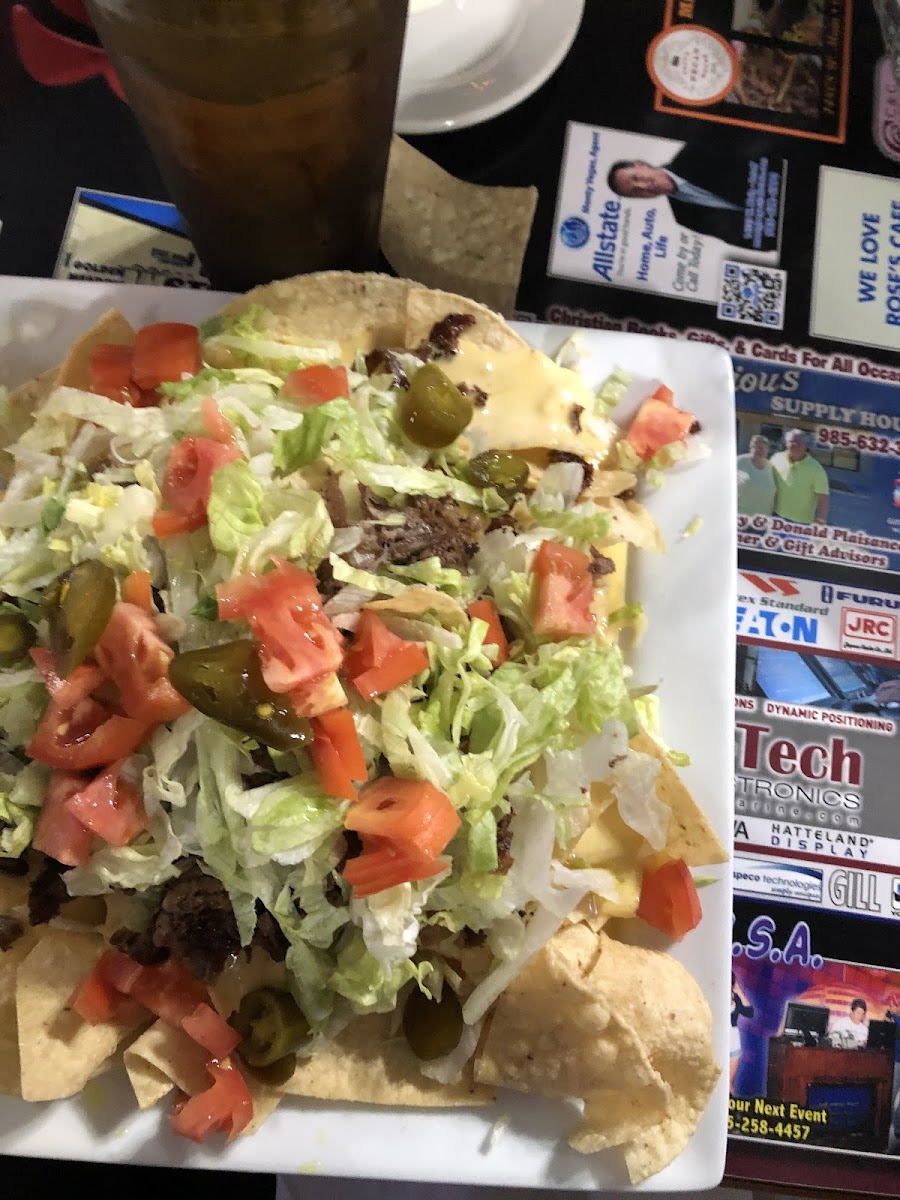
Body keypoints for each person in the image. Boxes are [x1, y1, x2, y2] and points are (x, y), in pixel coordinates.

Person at [606, 144, 751, 245]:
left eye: (636, 178)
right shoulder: (683, 217)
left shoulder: (696, 151)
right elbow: (739, 238)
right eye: (635, 191)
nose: (643, 186)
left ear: (640, 165)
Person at [770, 429, 830, 524]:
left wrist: (820, 522)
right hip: (776, 516)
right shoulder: (776, 458)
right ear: (786, 443)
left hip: (802, 524)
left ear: (805, 445)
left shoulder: (816, 469)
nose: (794, 444)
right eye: (791, 441)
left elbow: (823, 498)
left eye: (798, 442)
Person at [737, 434, 776, 515]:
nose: (760, 450)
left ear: (767, 450)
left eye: (763, 448)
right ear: (751, 448)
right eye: (757, 447)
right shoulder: (740, 461)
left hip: (763, 520)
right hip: (742, 518)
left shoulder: (771, 467)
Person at [731, 972, 754, 1090]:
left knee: (729, 1083)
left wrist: (738, 990)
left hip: (733, 1043)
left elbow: (749, 1012)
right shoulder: (715, 996)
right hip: (717, 1040)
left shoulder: (736, 998)